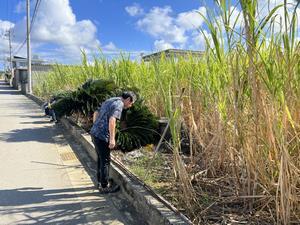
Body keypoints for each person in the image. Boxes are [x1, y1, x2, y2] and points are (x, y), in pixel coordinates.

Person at [90, 91, 137, 193]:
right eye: (131, 103)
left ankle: (100, 181)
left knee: (101, 159)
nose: (130, 106)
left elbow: (96, 112)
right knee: (105, 161)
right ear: (128, 99)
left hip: (95, 133)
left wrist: (95, 127)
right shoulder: (119, 104)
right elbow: (112, 120)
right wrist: (112, 139)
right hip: (102, 136)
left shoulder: (111, 100)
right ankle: (104, 186)